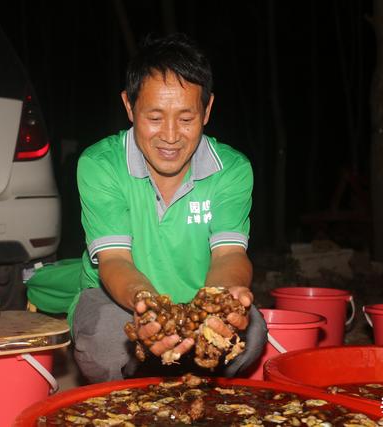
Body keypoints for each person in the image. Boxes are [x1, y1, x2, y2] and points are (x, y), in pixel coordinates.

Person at [71, 33, 267, 384]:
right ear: (129, 107)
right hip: (120, 298)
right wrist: (146, 306)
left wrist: (222, 300)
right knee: (103, 340)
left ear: (207, 110)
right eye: (155, 117)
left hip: (195, 299)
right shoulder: (100, 164)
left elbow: (228, 255)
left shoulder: (232, 169)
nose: (171, 136)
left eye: (186, 118)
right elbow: (115, 260)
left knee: (252, 334)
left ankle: (193, 388)